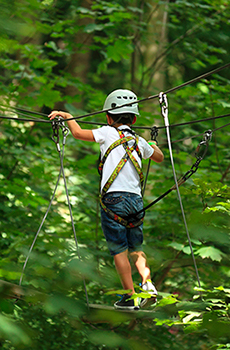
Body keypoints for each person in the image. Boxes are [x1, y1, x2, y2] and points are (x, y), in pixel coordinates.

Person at [48, 89, 164, 310]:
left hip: (114, 202)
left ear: (109, 117)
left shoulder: (106, 133)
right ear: (135, 119)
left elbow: (78, 133)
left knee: (119, 249)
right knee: (135, 246)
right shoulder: (139, 141)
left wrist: (67, 116)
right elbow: (159, 157)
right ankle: (147, 283)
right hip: (136, 202)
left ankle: (130, 296)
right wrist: (153, 144)